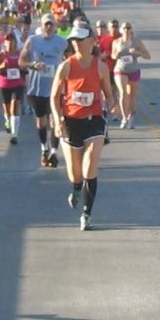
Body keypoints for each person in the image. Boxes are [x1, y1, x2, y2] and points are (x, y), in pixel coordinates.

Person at [49, 21, 116, 231]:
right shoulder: (66, 66)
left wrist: (112, 106)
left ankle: (86, 214)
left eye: (80, 40)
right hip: (71, 121)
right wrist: (58, 120)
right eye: (73, 40)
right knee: (75, 173)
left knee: (90, 168)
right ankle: (77, 187)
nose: (76, 43)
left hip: (94, 120)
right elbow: (54, 97)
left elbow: (109, 94)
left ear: (91, 41)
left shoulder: (100, 66)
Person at [19, 13, 67, 167]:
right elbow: (21, 61)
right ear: (41, 25)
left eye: (51, 24)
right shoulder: (33, 41)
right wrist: (33, 64)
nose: (48, 27)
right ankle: (44, 147)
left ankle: (54, 151)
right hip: (37, 88)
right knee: (41, 122)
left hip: (55, 89)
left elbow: (71, 59)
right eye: (46, 24)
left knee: (55, 121)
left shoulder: (62, 42)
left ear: (55, 26)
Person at [111, 21, 151, 128]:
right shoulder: (116, 42)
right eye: (124, 28)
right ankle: (124, 117)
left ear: (131, 30)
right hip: (120, 70)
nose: (126, 30)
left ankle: (130, 117)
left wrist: (138, 53)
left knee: (132, 96)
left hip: (133, 70)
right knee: (123, 93)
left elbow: (148, 56)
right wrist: (117, 54)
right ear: (121, 30)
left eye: (128, 28)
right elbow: (112, 56)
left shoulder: (136, 42)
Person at [0, 29, 26, 143]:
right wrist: (2, 66)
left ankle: (15, 134)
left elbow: (25, 66)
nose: (10, 43)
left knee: (15, 107)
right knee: (7, 109)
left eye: (12, 41)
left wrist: (23, 68)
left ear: (16, 42)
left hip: (18, 84)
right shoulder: (1, 55)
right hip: (5, 84)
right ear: (4, 43)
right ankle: (7, 120)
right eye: (8, 41)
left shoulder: (20, 54)